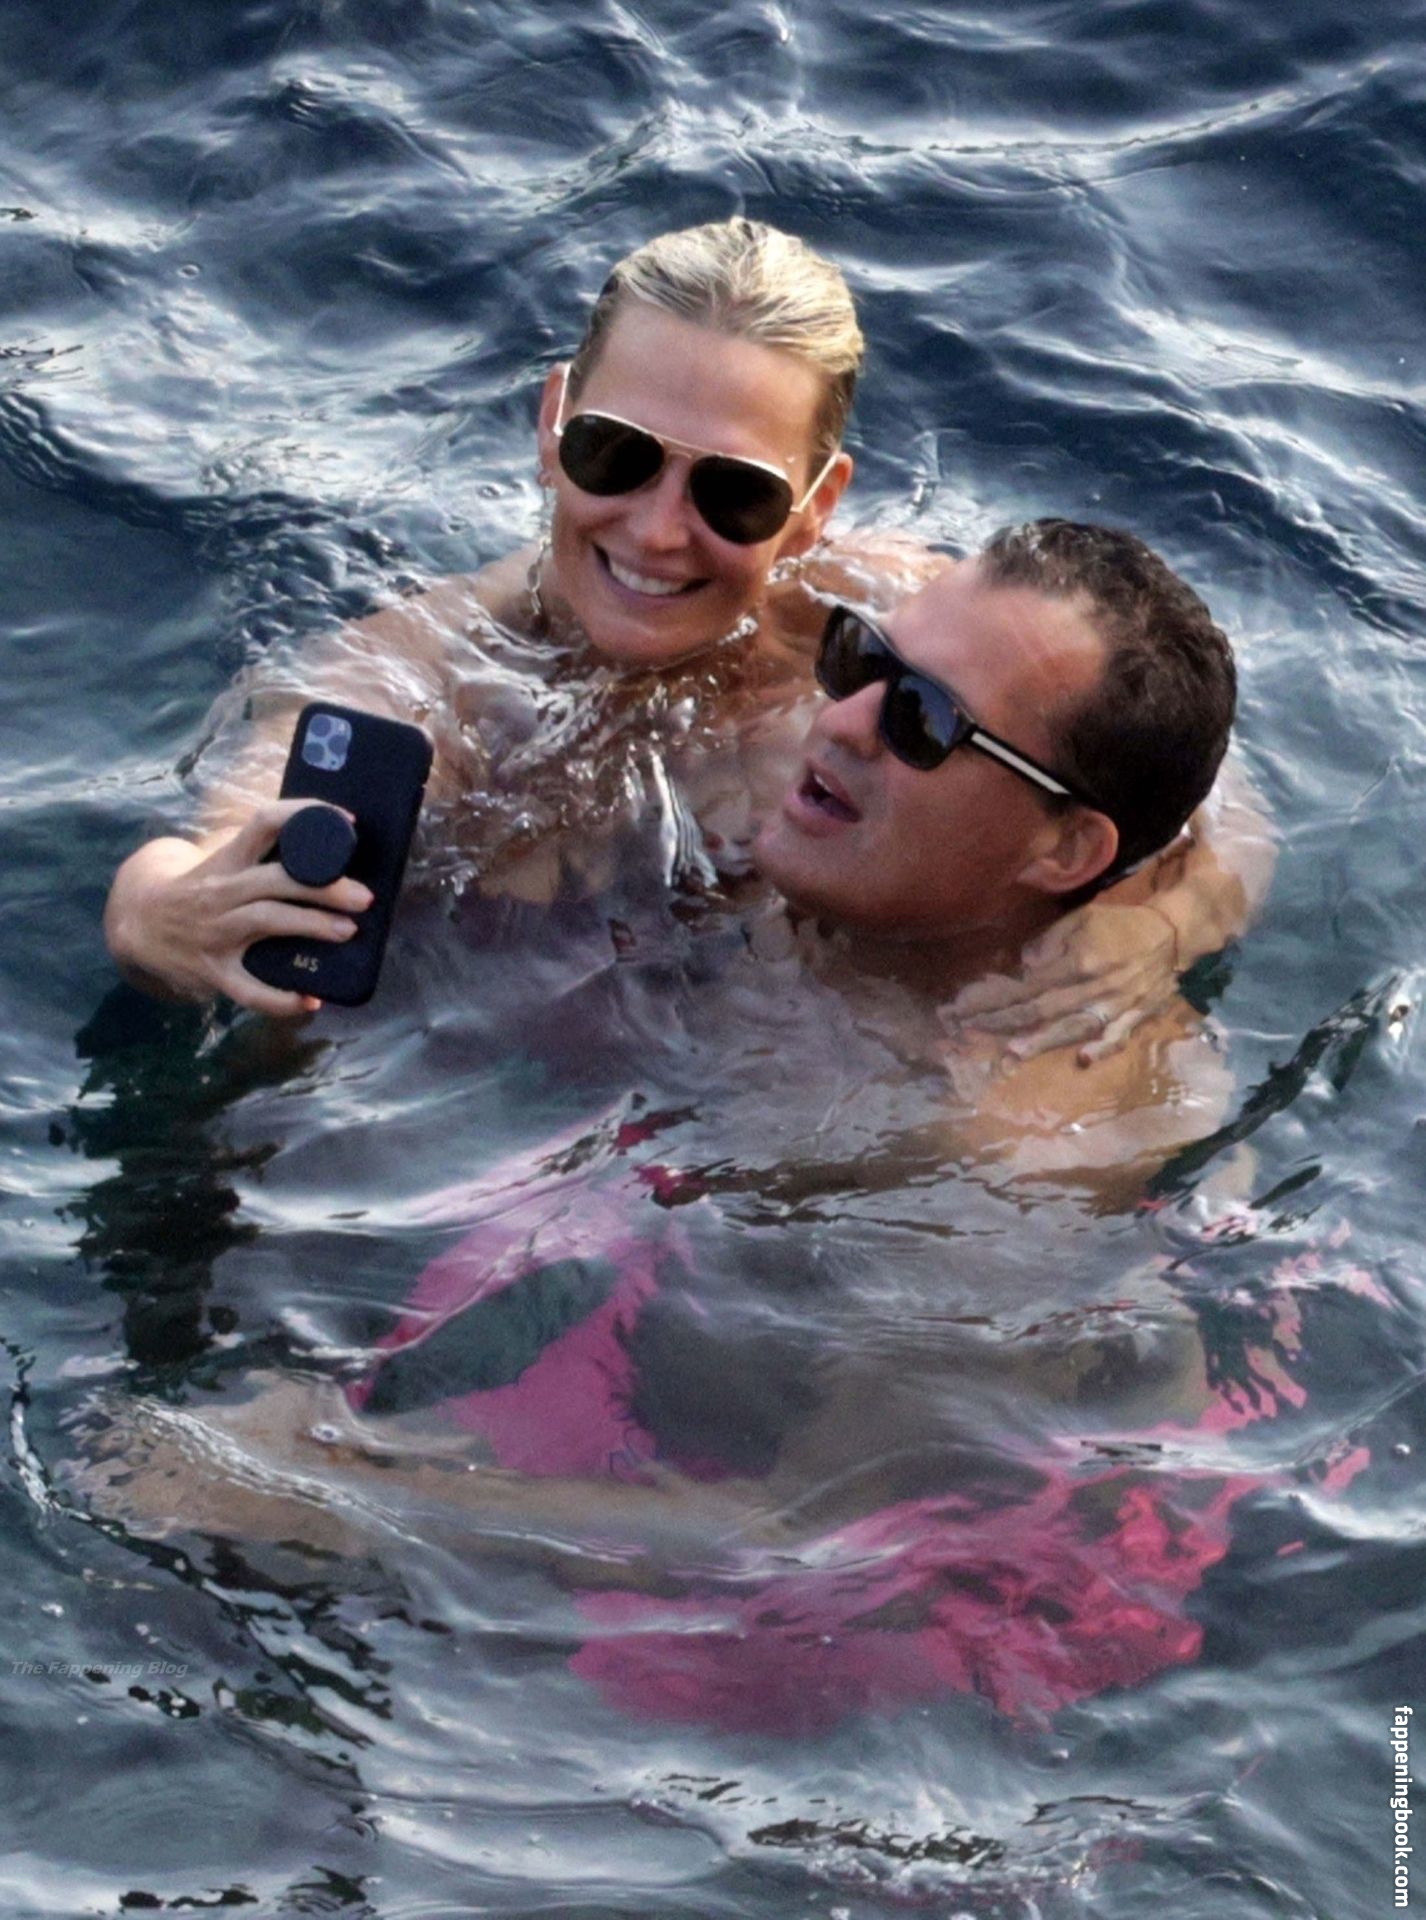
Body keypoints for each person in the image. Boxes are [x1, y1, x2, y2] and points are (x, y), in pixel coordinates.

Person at [74, 521, 1352, 1735]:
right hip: (693, 1305)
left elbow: (810, 1536)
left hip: (924, 1593)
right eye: (860, 657)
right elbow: (541, 603)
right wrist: (165, 896)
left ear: (1068, 851)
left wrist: (333, 1491)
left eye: (921, 720)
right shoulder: (853, 861)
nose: (837, 716)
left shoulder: (1007, 1152)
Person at [102, 219, 1264, 1052]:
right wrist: (156, 915)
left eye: (735, 494)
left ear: (816, 504)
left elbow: (1205, 789)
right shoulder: (431, 675)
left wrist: (1162, 930)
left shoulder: (874, 620)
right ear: (553, 426)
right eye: (615, 454)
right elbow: (214, 854)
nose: (658, 531)